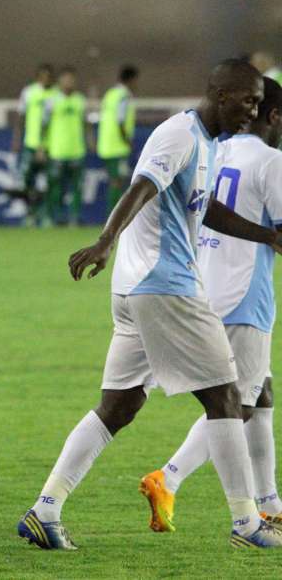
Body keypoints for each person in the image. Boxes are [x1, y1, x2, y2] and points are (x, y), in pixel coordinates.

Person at [17, 59, 282, 551]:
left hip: (135, 289)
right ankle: (247, 522)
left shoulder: (210, 143)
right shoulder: (179, 135)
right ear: (222, 96)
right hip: (166, 285)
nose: (253, 111)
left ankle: (45, 509)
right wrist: (105, 240)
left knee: (118, 406)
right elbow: (141, 186)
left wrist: (265, 235)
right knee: (227, 398)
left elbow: (207, 209)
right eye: (248, 101)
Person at [139, 76, 282, 532]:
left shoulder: (220, 149)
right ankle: (169, 478)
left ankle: (270, 502)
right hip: (247, 293)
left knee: (261, 394)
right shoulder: (272, 161)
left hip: (208, 284)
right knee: (236, 405)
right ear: (273, 116)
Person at [41, 67, 88, 226]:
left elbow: (85, 123)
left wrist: (90, 141)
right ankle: (55, 217)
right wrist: (42, 146)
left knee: (77, 187)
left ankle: (74, 217)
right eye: (66, 79)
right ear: (60, 81)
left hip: (77, 150)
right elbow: (44, 125)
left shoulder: (80, 100)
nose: (69, 82)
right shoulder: (51, 100)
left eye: (71, 79)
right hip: (57, 151)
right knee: (56, 187)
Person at [11, 64, 55, 225]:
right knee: (26, 182)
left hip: (51, 147)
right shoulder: (28, 92)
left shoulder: (55, 94)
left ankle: (46, 215)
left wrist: (42, 145)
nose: (46, 79)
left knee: (48, 182)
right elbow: (21, 117)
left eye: (48, 76)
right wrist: (16, 139)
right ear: (37, 77)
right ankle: (30, 214)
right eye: (43, 76)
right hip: (30, 144)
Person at [97, 66, 139, 215]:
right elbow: (120, 119)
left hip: (106, 144)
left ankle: (113, 214)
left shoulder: (110, 94)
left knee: (115, 181)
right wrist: (126, 139)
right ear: (131, 80)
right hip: (118, 146)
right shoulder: (124, 96)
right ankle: (114, 215)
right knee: (117, 181)